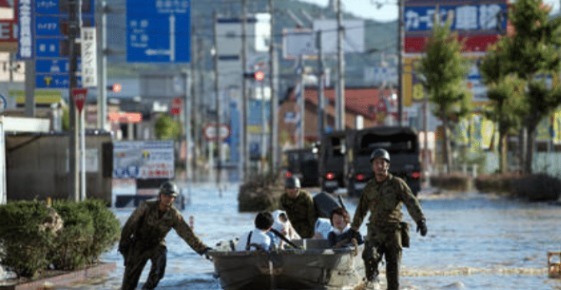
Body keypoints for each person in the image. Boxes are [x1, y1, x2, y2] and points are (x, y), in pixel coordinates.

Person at [349, 148, 428, 290]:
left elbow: (411, 201)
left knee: (393, 276)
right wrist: (354, 229)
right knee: (369, 256)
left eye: (382, 163)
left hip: (393, 231)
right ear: (372, 166)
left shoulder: (397, 184)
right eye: (376, 163)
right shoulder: (370, 187)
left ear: (387, 165)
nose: (379, 166)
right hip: (375, 230)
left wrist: (420, 221)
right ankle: (374, 283)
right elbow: (361, 209)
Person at [118, 181, 212, 290]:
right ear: (160, 195)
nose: (168, 198)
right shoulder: (146, 206)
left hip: (156, 244)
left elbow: (187, 234)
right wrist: (124, 248)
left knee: (159, 267)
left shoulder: (174, 215)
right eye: (165, 195)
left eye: (171, 196)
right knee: (128, 284)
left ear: (174, 198)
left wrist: (204, 250)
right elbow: (129, 225)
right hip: (138, 244)